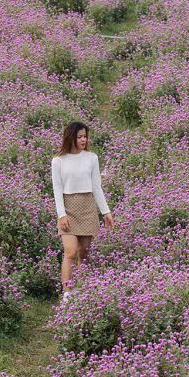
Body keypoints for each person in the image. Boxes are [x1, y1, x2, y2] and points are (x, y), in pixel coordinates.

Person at [51, 121, 113, 303]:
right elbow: (57, 189)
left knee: (84, 252)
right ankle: (67, 295)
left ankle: (84, 289)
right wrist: (62, 214)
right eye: (79, 137)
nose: (83, 139)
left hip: (87, 206)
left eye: (85, 136)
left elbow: (96, 187)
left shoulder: (91, 158)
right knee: (70, 252)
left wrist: (106, 212)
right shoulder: (58, 161)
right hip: (68, 207)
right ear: (71, 137)